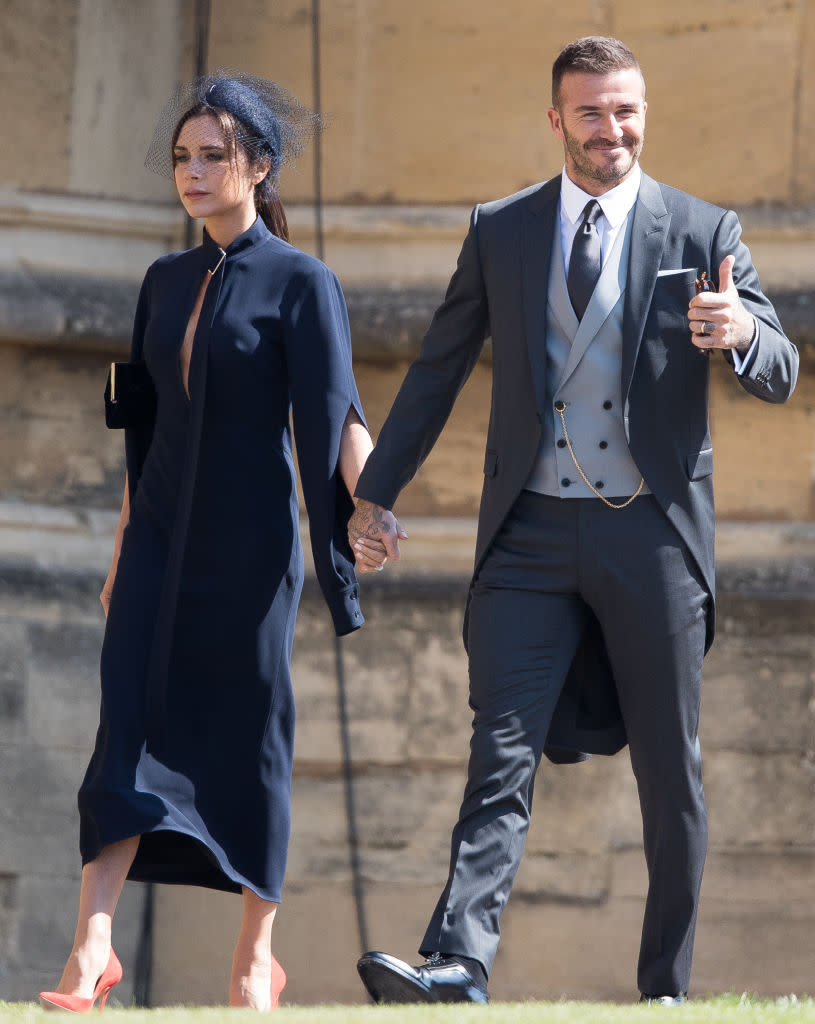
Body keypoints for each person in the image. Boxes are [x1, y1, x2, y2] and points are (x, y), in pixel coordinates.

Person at [349, 37, 799, 1006]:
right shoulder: (501, 228)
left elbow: (780, 366)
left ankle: (663, 988)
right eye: (591, 112)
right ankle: (459, 962)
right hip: (527, 534)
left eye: (625, 110)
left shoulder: (699, 228)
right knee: (498, 748)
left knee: (668, 774)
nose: (612, 130)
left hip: (652, 534)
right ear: (556, 119)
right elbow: (434, 370)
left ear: (644, 112)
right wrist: (372, 491)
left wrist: (742, 335)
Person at [38, 72, 384, 1014]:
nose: (192, 173)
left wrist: (371, 505)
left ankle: (253, 959)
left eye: (214, 157)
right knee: (125, 723)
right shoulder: (162, 280)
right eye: (183, 158)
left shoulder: (304, 282)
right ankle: (91, 950)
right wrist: (119, 550)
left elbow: (335, 410)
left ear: (257, 167)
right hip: (154, 537)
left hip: (247, 548)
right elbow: (136, 423)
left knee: (250, 737)